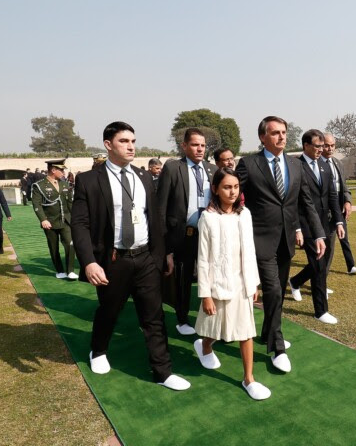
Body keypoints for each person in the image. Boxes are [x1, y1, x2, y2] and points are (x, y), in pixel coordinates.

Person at [70, 121, 190, 391]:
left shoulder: (144, 176)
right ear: (108, 145)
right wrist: (89, 261)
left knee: (154, 315)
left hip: (146, 257)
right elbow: (80, 224)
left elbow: (154, 219)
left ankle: (162, 371)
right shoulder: (89, 180)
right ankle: (98, 350)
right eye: (124, 141)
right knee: (109, 310)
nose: (131, 146)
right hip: (113, 259)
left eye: (133, 141)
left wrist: (164, 253)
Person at [236, 116, 325, 373]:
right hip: (260, 240)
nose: (282, 137)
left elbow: (305, 202)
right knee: (273, 291)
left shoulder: (295, 166)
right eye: (275, 133)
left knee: (277, 294)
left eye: (284, 132)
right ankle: (277, 347)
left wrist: (318, 234)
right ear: (263, 137)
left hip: (287, 241)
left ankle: (267, 333)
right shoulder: (249, 164)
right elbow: (230, 191)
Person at [193, 168, 270, 400]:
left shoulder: (244, 214)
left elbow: (250, 251)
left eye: (236, 186)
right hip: (218, 284)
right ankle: (205, 345)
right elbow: (203, 259)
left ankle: (249, 378)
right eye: (227, 187)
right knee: (219, 329)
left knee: (245, 331)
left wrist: (253, 283)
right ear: (215, 189)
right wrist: (205, 294)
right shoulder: (207, 218)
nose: (232, 191)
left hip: (242, 283)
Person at [156, 128, 218, 336]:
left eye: (202, 145)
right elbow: (161, 208)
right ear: (184, 146)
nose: (199, 149)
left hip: (208, 235)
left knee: (209, 277)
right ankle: (182, 319)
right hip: (184, 236)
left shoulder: (211, 169)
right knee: (182, 280)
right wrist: (165, 246)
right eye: (194, 145)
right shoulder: (174, 168)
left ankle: (211, 317)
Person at [288, 130, 345, 324]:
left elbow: (331, 196)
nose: (321, 150)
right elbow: (292, 200)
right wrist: (296, 228)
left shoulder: (324, 165)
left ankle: (295, 281)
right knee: (319, 265)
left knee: (320, 262)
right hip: (305, 225)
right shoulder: (295, 165)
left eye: (322, 146)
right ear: (305, 146)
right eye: (317, 146)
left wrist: (339, 221)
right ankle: (320, 311)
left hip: (324, 223)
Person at [322, 133, 356, 275]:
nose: (329, 148)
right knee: (329, 246)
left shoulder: (337, 163)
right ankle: (322, 280)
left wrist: (347, 201)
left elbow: (344, 186)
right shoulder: (317, 164)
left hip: (340, 208)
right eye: (326, 145)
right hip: (325, 211)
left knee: (344, 238)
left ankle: (350, 265)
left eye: (332, 145)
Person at [32, 159, 78, 280]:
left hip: (65, 220)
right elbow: (37, 204)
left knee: (70, 244)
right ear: (53, 170)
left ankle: (70, 271)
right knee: (54, 247)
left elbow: (70, 203)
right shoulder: (39, 185)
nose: (63, 172)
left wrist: (75, 218)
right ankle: (60, 270)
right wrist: (43, 219)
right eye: (61, 170)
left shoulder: (65, 184)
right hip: (50, 222)